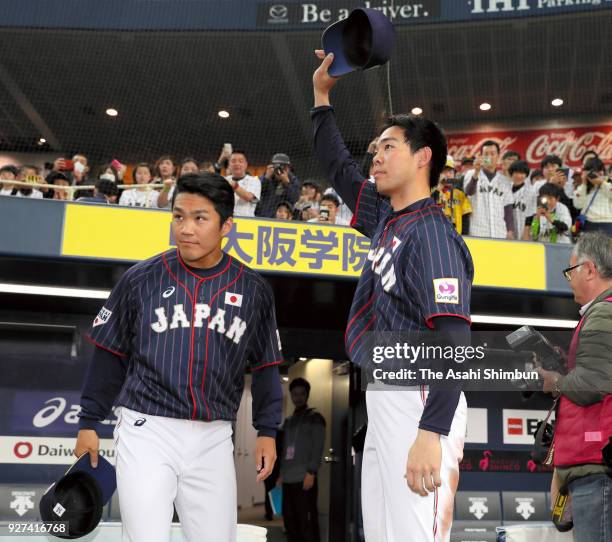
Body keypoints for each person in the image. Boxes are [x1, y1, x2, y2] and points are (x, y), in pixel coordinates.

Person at [311, 50, 472, 541]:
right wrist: (321, 97)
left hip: (420, 397)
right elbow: (339, 168)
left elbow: (454, 342)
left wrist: (431, 431)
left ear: (423, 157)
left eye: (388, 147)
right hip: (387, 394)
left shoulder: (434, 236)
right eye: (375, 149)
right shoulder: (389, 216)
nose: (375, 156)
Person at [75, 173, 283, 542]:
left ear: (226, 226)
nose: (185, 228)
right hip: (147, 429)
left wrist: (267, 430)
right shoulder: (141, 278)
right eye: (178, 216)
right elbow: (109, 354)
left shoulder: (253, 289)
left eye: (200, 218)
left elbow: (266, 365)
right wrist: (89, 421)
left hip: (214, 435)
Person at [537, 232, 612, 542]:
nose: (568, 279)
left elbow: (593, 383)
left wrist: (555, 382)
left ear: (590, 269)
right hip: (592, 468)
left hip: (597, 470)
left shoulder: (604, 312)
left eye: (570, 270)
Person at [281, 378, 326, 542]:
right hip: (288, 480)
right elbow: (285, 448)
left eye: (301, 394)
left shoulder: (315, 418)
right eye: (294, 394)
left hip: (305, 479)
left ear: (307, 395)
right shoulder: (289, 421)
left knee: (307, 524)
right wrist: (281, 473)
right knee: (290, 523)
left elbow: (318, 446)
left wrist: (312, 471)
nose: (297, 397)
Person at [463, 140, 515, 239]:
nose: (489, 157)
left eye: (492, 154)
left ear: (498, 156)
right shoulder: (471, 173)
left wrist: (510, 231)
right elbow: (469, 192)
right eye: (486, 154)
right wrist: (476, 172)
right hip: (478, 233)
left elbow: (508, 209)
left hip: (499, 233)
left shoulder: (505, 181)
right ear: (481, 156)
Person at [431, 156, 472, 235]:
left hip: (456, 238)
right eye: (444, 171)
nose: (448, 175)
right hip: (436, 236)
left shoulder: (460, 194)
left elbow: (465, 221)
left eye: (450, 172)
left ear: (454, 174)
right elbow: (427, 208)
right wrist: (439, 188)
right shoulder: (431, 192)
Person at [573, 157, 612, 235]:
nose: (597, 174)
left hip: (607, 222)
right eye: (594, 172)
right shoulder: (583, 188)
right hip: (588, 223)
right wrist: (584, 182)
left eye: (600, 170)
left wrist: (601, 183)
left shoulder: (608, 184)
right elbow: (578, 205)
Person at [256, 153, 301, 218]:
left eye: (283, 167)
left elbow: (295, 199)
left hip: (283, 220)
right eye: (277, 166)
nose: (279, 170)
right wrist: (266, 178)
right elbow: (256, 193)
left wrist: (287, 183)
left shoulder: (293, 181)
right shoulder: (266, 177)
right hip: (264, 217)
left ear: (288, 168)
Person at [225, 150, 261, 217]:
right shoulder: (224, 180)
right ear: (229, 165)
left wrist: (234, 186)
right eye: (233, 161)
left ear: (246, 165)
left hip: (246, 221)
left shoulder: (254, 180)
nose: (237, 164)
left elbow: (249, 197)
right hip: (227, 220)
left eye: (240, 161)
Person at [507, 160, 536, 237]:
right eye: (516, 173)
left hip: (523, 229)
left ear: (526, 175)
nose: (519, 176)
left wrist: (526, 232)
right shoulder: (505, 188)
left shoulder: (530, 191)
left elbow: (530, 215)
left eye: (522, 173)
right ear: (511, 174)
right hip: (505, 230)